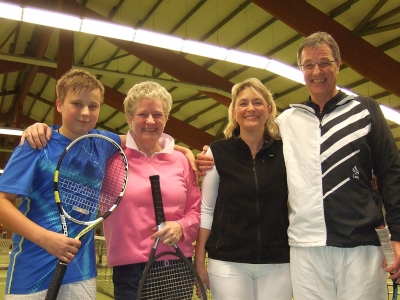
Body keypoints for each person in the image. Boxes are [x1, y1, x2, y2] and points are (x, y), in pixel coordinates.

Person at [197, 32, 400, 300]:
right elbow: (251, 136)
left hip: (359, 246)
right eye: (309, 64)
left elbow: (391, 174)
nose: (317, 71)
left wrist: (397, 236)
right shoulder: (287, 121)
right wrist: (191, 153)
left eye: (325, 62)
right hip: (305, 251)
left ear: (338, 65)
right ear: (301, 69)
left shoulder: (366, 110)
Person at [21, 81, 201, 300]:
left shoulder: (181, 161)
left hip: (178, 267)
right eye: (143, 114)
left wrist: (181, 226)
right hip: (130, 272)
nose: (151, 121)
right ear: (129, 117)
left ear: (166, 118)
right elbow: (74, 135)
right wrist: (42, 128)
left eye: (158, 114)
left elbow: (196, 210)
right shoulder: (111, 155)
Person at [0, 69, 121, 299]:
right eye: (77, 103)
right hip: (31, 272)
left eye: (93, 106)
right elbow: (2, 203)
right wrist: (46, 239)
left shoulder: (104, 143)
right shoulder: (35, 144)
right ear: (59, 105)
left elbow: (144, 141)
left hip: (81, 272)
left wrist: (187, 150)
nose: (85, 112)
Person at [194, 78, 291, 300]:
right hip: (227, 263)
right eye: (243, 103)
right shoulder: (216, 153)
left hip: (278, 263)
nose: (250, 109)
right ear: (234, 111)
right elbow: (207, 211)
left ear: (268, 110)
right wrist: (199, 263)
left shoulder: (286, 152)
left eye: (257, 102)